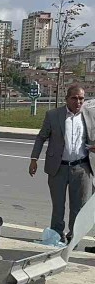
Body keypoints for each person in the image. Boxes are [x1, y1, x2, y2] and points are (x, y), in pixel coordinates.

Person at [29, 85, 95, 243]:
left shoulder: (90, 115)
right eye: (74, 98)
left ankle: (74, 237)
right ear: (67, 99)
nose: (78, 101)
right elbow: (41, 137)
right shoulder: (53, 115)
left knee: (79, 207)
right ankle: (57, 235)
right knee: (58, 206)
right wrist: (34, 159)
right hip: (58, 167)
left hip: (82, 168)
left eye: (81, 98)